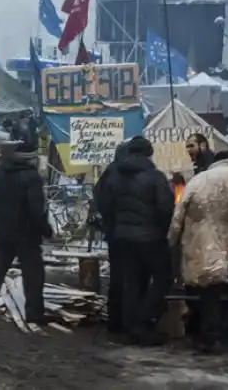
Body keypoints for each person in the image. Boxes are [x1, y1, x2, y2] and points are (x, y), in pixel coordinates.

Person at [98, 136, 174, 345]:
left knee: (131, 282)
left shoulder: (115, 175)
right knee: (163, 277)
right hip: (151, 237)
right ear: (149, 153)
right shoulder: (155, 176)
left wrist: (114, 227)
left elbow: (104, 204)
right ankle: (143, 320)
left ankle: (130, 327)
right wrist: (162, 229)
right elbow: (166, 207)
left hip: (122, 237)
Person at [0, 141, 52, 326]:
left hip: (2, 235)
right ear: (31, 159)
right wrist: (47, 230)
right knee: (33, 274)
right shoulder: (32, 178)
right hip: (27, 235)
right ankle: (34, 313)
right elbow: (36, 210)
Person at [169, 150, 228, 354]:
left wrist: (172, 241)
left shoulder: (198, 181)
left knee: (208, 291)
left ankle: (208, 336)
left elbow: (178, 217)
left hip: (203, 245)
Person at [94, 140, 131, 337]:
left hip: (114, 232)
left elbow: (100, 198)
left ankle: (115, 319)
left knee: (117, 276)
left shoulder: (109, 172)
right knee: (132, 276)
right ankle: (127, 319)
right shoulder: (129, 174)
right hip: (132, 233)